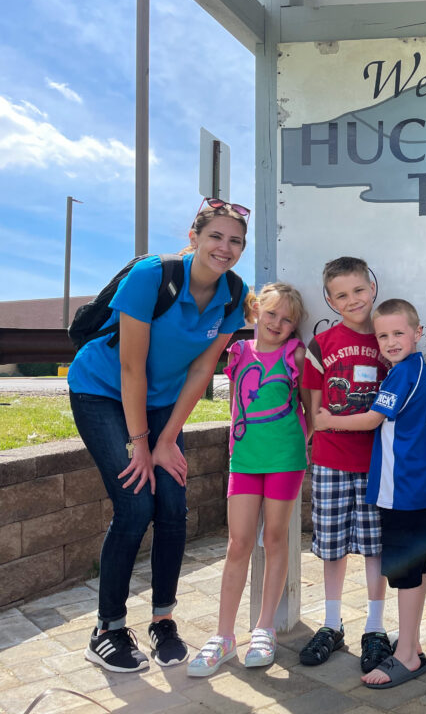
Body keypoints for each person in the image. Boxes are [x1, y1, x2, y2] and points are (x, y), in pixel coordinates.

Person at [68, 198, 250, 672]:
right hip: (104, 391)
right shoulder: (153, 275)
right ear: (194, 238)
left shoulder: (233, 293)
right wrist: (141, 445)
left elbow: (203, 368)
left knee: (173, 505)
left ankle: (163, 620)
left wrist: (168, 439)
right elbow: (131, 367)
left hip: (163, 403)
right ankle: (106, 629)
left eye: (235, 241)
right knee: (135, 502)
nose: (225, 248)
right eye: (216, 237)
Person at [314, 299, 426, 689]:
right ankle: (412, 644)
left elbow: (373, 418)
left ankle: (406, 657)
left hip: (405, 489)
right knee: (410, 570)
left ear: (418, 333)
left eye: (398, 332)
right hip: (411, 489)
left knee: (405, 573)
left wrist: (328, 420)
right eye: (382, 335)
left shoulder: (402, 374)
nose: (390, 341)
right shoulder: (410, 369)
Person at [188, 283, 309, 676]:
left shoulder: (297, 356)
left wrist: (295, 450)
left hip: (285, 460)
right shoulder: (237, 352)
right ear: (256, 311)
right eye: (271, 314)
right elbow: (236, 404)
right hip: (244, 461)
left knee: (275, 538)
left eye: (287, 319)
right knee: (238, 542)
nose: (278, 323)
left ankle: (264, 627)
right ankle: (224, 636)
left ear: (294, 327)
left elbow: (309, 409)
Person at [298, 257, 392, 674]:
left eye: (358, 290)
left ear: (372, 287)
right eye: (341, 295)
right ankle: (332, 623)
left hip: (376, 462)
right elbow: (314, 409)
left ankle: (375, 627)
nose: (352, 300)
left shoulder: (389, 337)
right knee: (332, 545)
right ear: (330, 301)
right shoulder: (322, 345)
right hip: (331, 460)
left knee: (376, 546)